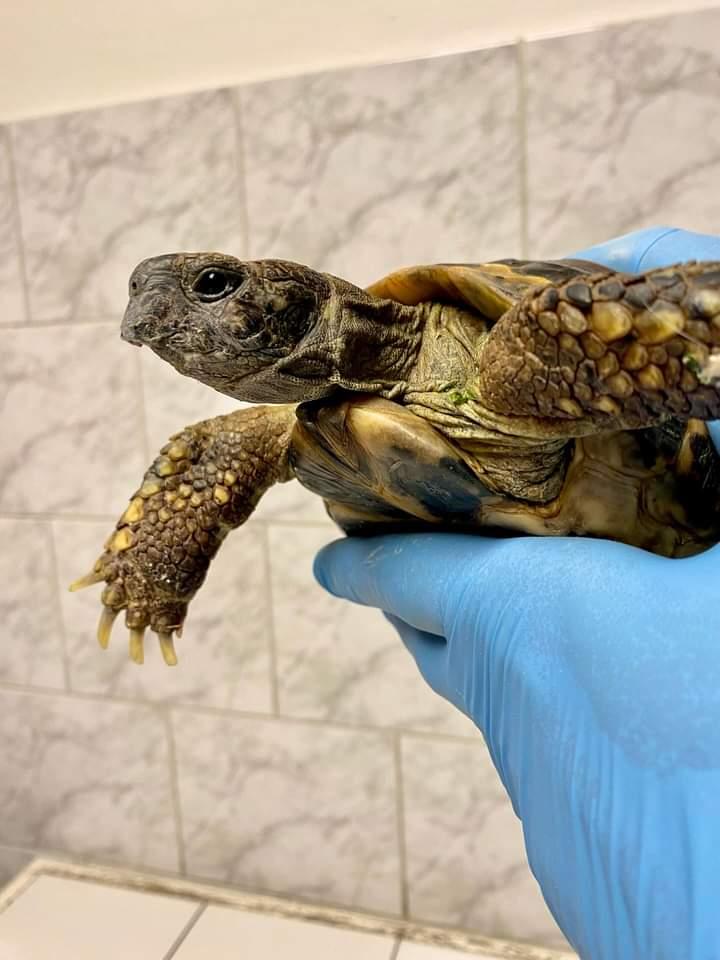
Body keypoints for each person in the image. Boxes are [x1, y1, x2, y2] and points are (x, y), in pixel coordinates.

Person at [314, 227, 720, 960]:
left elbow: (649, 333)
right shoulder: (292, 424)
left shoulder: (517, 355)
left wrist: (692, 323)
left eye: (215, 287)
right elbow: (214, 454)